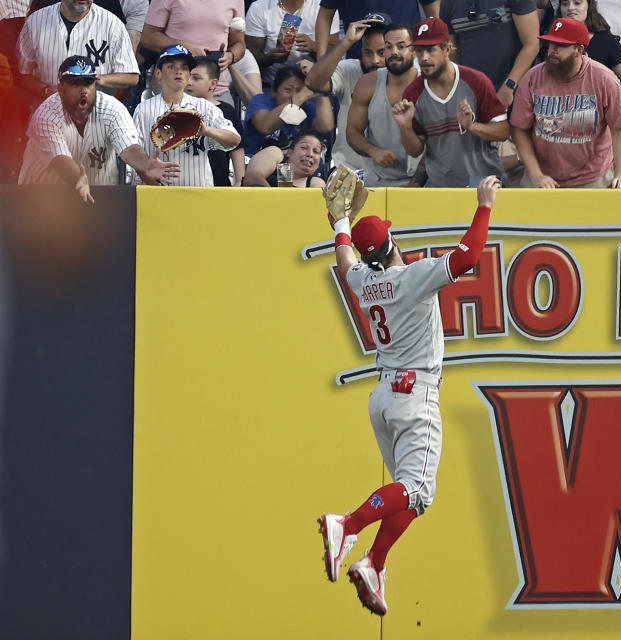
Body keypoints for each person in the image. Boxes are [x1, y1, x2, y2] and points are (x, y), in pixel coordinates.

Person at [319, 174, 501, 617]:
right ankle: (348, 525)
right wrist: (484, 205)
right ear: (393, 241)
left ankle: (375, 563)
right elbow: (470, 255)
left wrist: (340, 221)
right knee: (417, 487)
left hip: (382, 396)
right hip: (415, 394)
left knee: (414, 494)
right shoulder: (413, 278)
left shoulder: (363, 281)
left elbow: (344, 258)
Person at [18, 55, 179, 201]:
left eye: (88, 83)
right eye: (75, 84)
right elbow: (60, 160)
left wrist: (145, 164)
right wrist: (77, 177)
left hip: (98, 197)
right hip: (42, 197)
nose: (83, 90)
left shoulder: (112, 109)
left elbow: (129, 148)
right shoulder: (46, 114)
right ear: (61, 89)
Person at [510, 17, 621, 188]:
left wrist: (620, 174)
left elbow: (620, 129)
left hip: (592, 176)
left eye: (560, 46)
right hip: (542, 175)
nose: (552, 50)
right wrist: (536, 174)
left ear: (578, 50)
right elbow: (519, 130)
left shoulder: (604, 79)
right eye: (551, 44)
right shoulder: (532, 78)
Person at [392, 18, 509, 187]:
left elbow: (503, 131)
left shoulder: (476, 81)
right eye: (419, 50)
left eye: (431, 50)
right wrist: (405, 127)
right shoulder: (413, 93)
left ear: (447, 49)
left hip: (483, 181)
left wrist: (472, 126)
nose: (423, 58)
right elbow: (415, 151)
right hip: (442, 184)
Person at [134, 46, 241, 186]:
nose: (179, 72)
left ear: (189, 75)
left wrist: (207, 130)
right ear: (158, 73)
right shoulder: (143, 109)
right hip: (156, 194)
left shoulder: (205, 107)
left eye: (184, 68)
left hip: (198, 195)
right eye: (171, 66)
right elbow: (135, 157)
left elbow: (235, 139)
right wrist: (155, 187)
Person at [305, 17, 388, 171]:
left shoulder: (403, 74)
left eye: (381, 53)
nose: (375, 60)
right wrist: (346, 42)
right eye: (368, 53)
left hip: (389, 174)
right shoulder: (348, 69)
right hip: (347, 171)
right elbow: (313, 82)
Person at [346, 22, 423, 187]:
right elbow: (352, 132)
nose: (394, 52)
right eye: (388, 47)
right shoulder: (367, 84)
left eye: (401, 46)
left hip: (424, 182)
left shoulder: (429, 84)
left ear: (414, 51)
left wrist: (418, 183)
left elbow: (440, 144)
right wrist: (373, 151)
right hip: (379, 180)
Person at [17, 0, 139, 100]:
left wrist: (95, 79)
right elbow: (21, 74)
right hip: (48, 113)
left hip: (96, 117)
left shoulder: (113, 25)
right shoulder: (36, 22)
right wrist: (45, 90)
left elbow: (131, 76)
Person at [439, 0, 540, 108]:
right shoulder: (448, 3)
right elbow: (451, 52)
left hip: (512, 93)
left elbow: (532, 44)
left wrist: (509, 85)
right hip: (470, 96)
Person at [141, 0, 246, 102]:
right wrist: (184, 48)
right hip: (172, 90)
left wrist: (230, 56)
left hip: (215, 91)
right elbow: (148, 37)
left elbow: (239, 44)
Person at [556, 0, 621, 100]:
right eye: (565, 4)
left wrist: (608, 100)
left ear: (589, 6)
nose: (570, 8)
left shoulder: (605, 42)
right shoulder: (552, 43)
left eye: (577, 3)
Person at [243, 64, 333, 155]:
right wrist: (300, 96)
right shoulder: (260, 101)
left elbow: (326, 127)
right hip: (256, 162)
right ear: (274, 91)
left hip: (295, 166)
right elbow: (264, 127)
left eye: (299, 90)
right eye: (288, 90)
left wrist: (319, 86)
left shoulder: (308, 107)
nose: (294, 95)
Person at [185, 56, 246, 186]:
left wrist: (240, 180)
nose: (189, 82)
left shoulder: (226, 110)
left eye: (196, 78)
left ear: (213, 84)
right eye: (187, 76)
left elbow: (237, 149)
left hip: (219, 182)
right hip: (188, 181)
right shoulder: (178, 110)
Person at [315, 0, 438, 59]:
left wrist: (433, 48)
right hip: (362, 59)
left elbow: (433, 7)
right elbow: (325, 15)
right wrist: (321, 58)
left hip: (406, 58)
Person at [245, 0, 322, 86]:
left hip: (313, 85)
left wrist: (315, 48)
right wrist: (268, 58)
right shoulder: (259, 7)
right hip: (270, 84)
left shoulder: (323, 7)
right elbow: (249, 56)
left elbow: (334, 51)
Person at [243, 128, 327, 186]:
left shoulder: (315, 184)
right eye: (304, 147)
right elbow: (252, 179)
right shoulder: (277, 156)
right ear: (289, 152)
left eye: (316, 151)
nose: (310, 154)